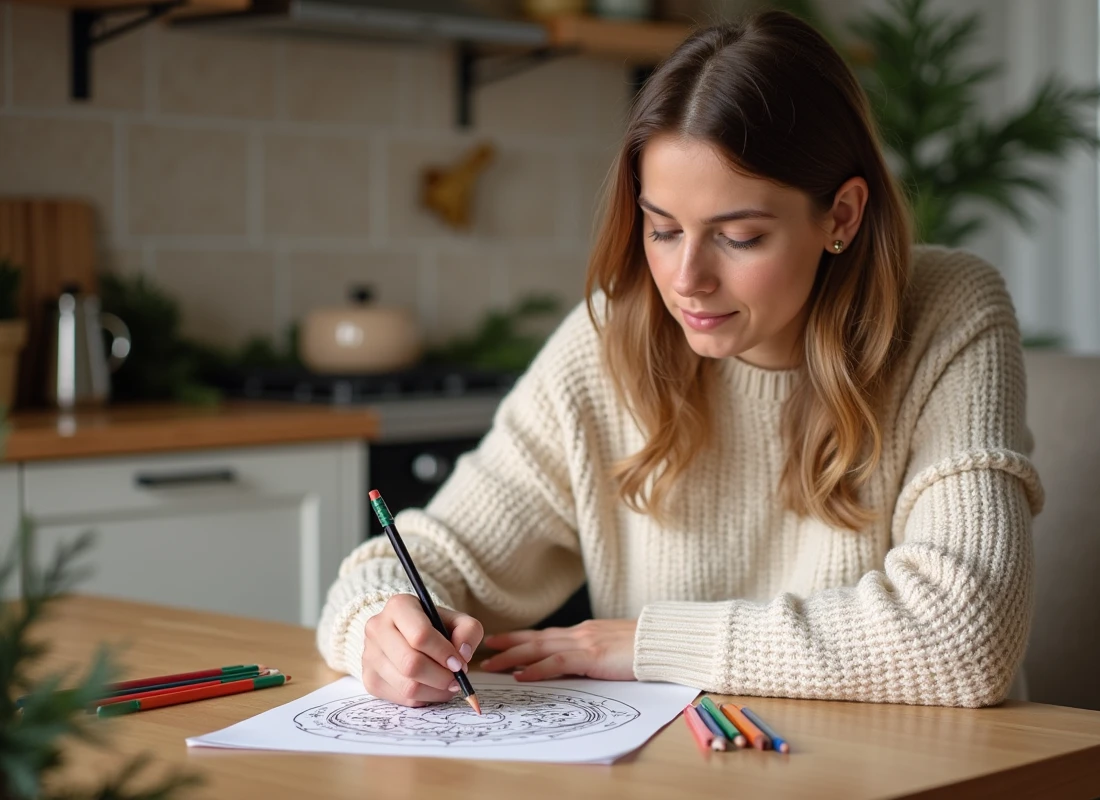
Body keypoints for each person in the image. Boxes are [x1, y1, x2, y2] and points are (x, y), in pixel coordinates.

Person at [317, 9, 1043, 709]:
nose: (686, 279)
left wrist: (649, 645)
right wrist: (381, 630)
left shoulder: (950, 311)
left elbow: (965, 632)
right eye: (662, 229)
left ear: (842, 217)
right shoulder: (611, 341)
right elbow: (422, 558)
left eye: (740, 236)